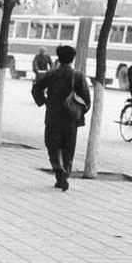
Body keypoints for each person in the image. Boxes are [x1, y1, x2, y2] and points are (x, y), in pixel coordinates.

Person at [31, 45, 91, 192]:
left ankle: (59, 171)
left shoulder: (51, 74)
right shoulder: (78, 75)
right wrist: (78, 111)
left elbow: (36, 88)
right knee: (68, 148)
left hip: (53, 116)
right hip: (71, 119)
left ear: (58, 58)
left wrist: (44, 101)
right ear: (72, 59)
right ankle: (66, 173)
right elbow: (87, 100)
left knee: (53, 145)